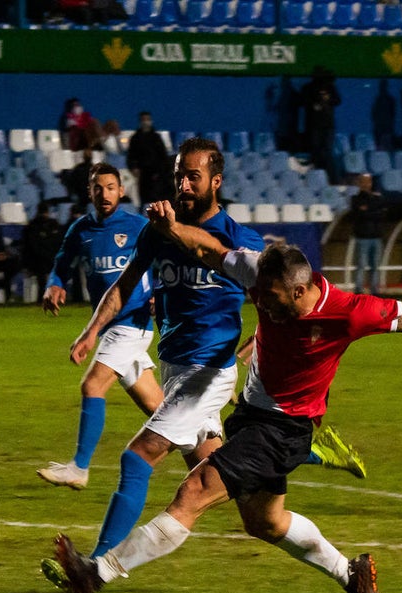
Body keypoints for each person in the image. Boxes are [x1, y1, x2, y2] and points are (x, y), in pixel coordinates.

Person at [46, 202, 402, 593]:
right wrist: (171, 228)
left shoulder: (350, 312)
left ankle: (98, 573)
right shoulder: (259, 275)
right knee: (265, 521)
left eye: (274, 300)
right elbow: (208, 249)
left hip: (286, 427)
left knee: (194, 490)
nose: (265, 307)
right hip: (251, 416)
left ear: (301, 290)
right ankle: (349, 572)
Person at [44, 137, 266, 562]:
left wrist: (254, 348)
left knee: (137, 457)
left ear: (216, 182)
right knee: (251, 506)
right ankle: (301, 453)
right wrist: (91, 332)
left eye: (193, 177)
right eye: (179, 175)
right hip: (175, 367)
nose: (183, 184)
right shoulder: (156, 233)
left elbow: (277, 303)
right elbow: (125, 285)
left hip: (208, 373)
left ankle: (95, 565)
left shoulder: (240, 239)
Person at [37, 163, 162, 491]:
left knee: (92, 386)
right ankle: (207, 445)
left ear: (121, 191)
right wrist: (54, 284)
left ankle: (79, 468)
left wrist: (159, 293)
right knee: (158, 407)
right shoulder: (80, 229)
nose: (104, 193)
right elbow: (61, 265)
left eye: (110, 187)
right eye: (98, 188)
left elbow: (167, 261)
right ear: (89, 192)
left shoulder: (139, 225)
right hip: (111, 327)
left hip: (132, 324)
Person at [300, 66, 342, 182]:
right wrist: (314, 104)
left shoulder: (330, 88)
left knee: (327, 152)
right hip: (314, 125)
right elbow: (304, 102)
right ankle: (315, 179)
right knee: (315, 151)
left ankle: (332, 179)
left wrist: (327, 99)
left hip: (328, 125)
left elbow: (337, 101)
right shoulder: (308, 88)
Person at [347, 173, 387, 294]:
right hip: (362, 237)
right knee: (361, 266)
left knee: (375, 266)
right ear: (359, 183)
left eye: (368, 181)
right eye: (364, 182)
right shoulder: (356, 199)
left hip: (376, 237)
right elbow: (359, 215)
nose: (366, 184)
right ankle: (358, 290)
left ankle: (374, 290)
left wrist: (368, 211)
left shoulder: (377, 198)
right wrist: (373, 212)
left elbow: (382, 215)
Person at [21, 201, 65, 301]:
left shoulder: (32, 225)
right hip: (42, 260)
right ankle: (48, 299)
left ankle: (42, 299)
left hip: (40, 259)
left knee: (43, 278)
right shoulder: (50, 225)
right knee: (44, 276)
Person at [126, 111, 171, 205]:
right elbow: (131, 155)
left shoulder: (156, 138)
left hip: (156, 175)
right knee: (144, 199)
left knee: (156, 199)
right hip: (142, 175)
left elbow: (163, 157)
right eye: (143, 120)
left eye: (148, 119)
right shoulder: (135, 138)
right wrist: (133, 168)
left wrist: (159, 172)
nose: (145, 122)